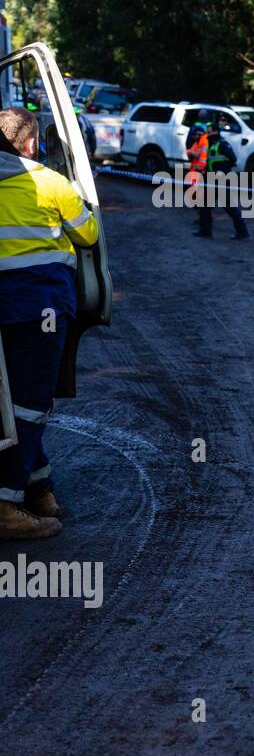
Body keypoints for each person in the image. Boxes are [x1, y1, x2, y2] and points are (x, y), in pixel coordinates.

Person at [0, 108, 100, 540]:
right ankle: (6, 505)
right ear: (31, 144)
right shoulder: (50, 182)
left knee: (10, 401)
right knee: (29, 403)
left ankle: (37, 488)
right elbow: (89, 235)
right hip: (38, 309)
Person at [196, 122, 250, 240]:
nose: (208, 134)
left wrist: (222, 171)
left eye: (210, 132)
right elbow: (211, 163)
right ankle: (205, 230)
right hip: (211, 179)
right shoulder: (212, 144)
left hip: (221, 180)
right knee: (205, 205)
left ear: (216, 131)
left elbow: (233, 159)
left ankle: (242, 231)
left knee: (229, 207)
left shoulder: (222, 144)